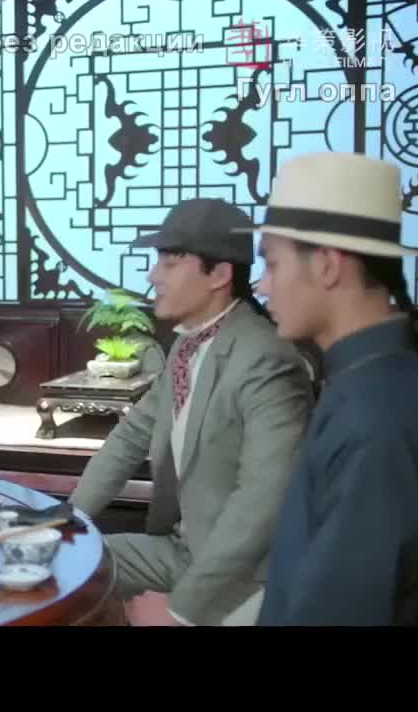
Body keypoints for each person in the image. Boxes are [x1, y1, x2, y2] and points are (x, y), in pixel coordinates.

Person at [68, 198, 314, 626]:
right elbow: (130, 437)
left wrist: (179, 611)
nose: (152, 275)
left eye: (170, 261)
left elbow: (262, 499)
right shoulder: (186, 345)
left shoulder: (265, 357)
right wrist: (70, 519)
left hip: (247, 580)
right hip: (183, 550)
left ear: (219, 275)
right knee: (64, 559)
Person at [249, 152, 418, 625]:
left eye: (272, 264)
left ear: (327, 265)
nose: (261, 285)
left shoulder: (374, 420)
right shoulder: (371, 383)